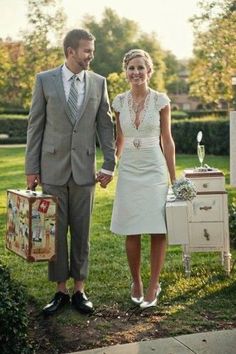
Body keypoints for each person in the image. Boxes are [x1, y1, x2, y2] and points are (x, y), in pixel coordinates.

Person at [25, 29, 116, 315]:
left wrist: (109, 163)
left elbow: (105, 125)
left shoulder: (99, 83)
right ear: (70, 51)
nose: (91, 55)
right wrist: (32, 168)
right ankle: (60, 291)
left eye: (92, 50)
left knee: (81, 232)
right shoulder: (44, 80)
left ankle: (79, 290)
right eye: (87, 50)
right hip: (52, 169)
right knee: (54, 232)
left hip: (84, 171)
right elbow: (35, 126)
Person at [110, 49, 176, 309]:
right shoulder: (118, 102)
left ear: (149, 71)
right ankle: (136, 281)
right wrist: (110, 167)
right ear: (125, 72)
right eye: (131, 68)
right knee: (131, 227)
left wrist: (173, 178)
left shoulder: (161, 101)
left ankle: (153, 283)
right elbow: (119, 140)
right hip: (129, 169)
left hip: (154, 168)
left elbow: (167, 141)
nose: (136, 72)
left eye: (141, 67)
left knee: (157, 227)